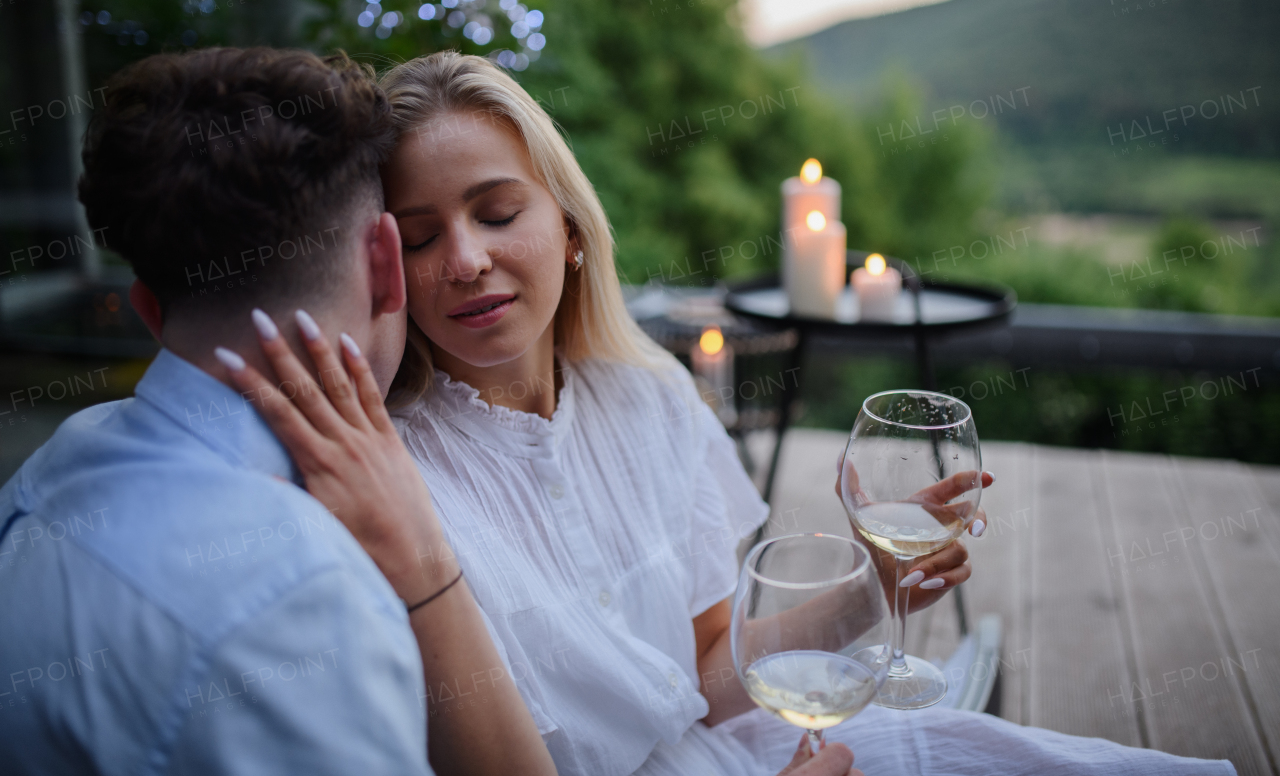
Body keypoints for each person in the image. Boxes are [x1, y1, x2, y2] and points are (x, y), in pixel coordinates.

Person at [222, 50, 1234, 776]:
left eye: (496, 212)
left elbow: (709, 669)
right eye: (420, 234)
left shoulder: (648, 395)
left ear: (569, 227)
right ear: (386, 267)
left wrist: (869, 587)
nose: (468, 260)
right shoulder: (388, 474)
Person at [0, 47, 556, 776]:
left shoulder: (38, 484)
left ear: (146, 309)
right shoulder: (300, 593)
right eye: (419, 237)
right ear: (387, 265)